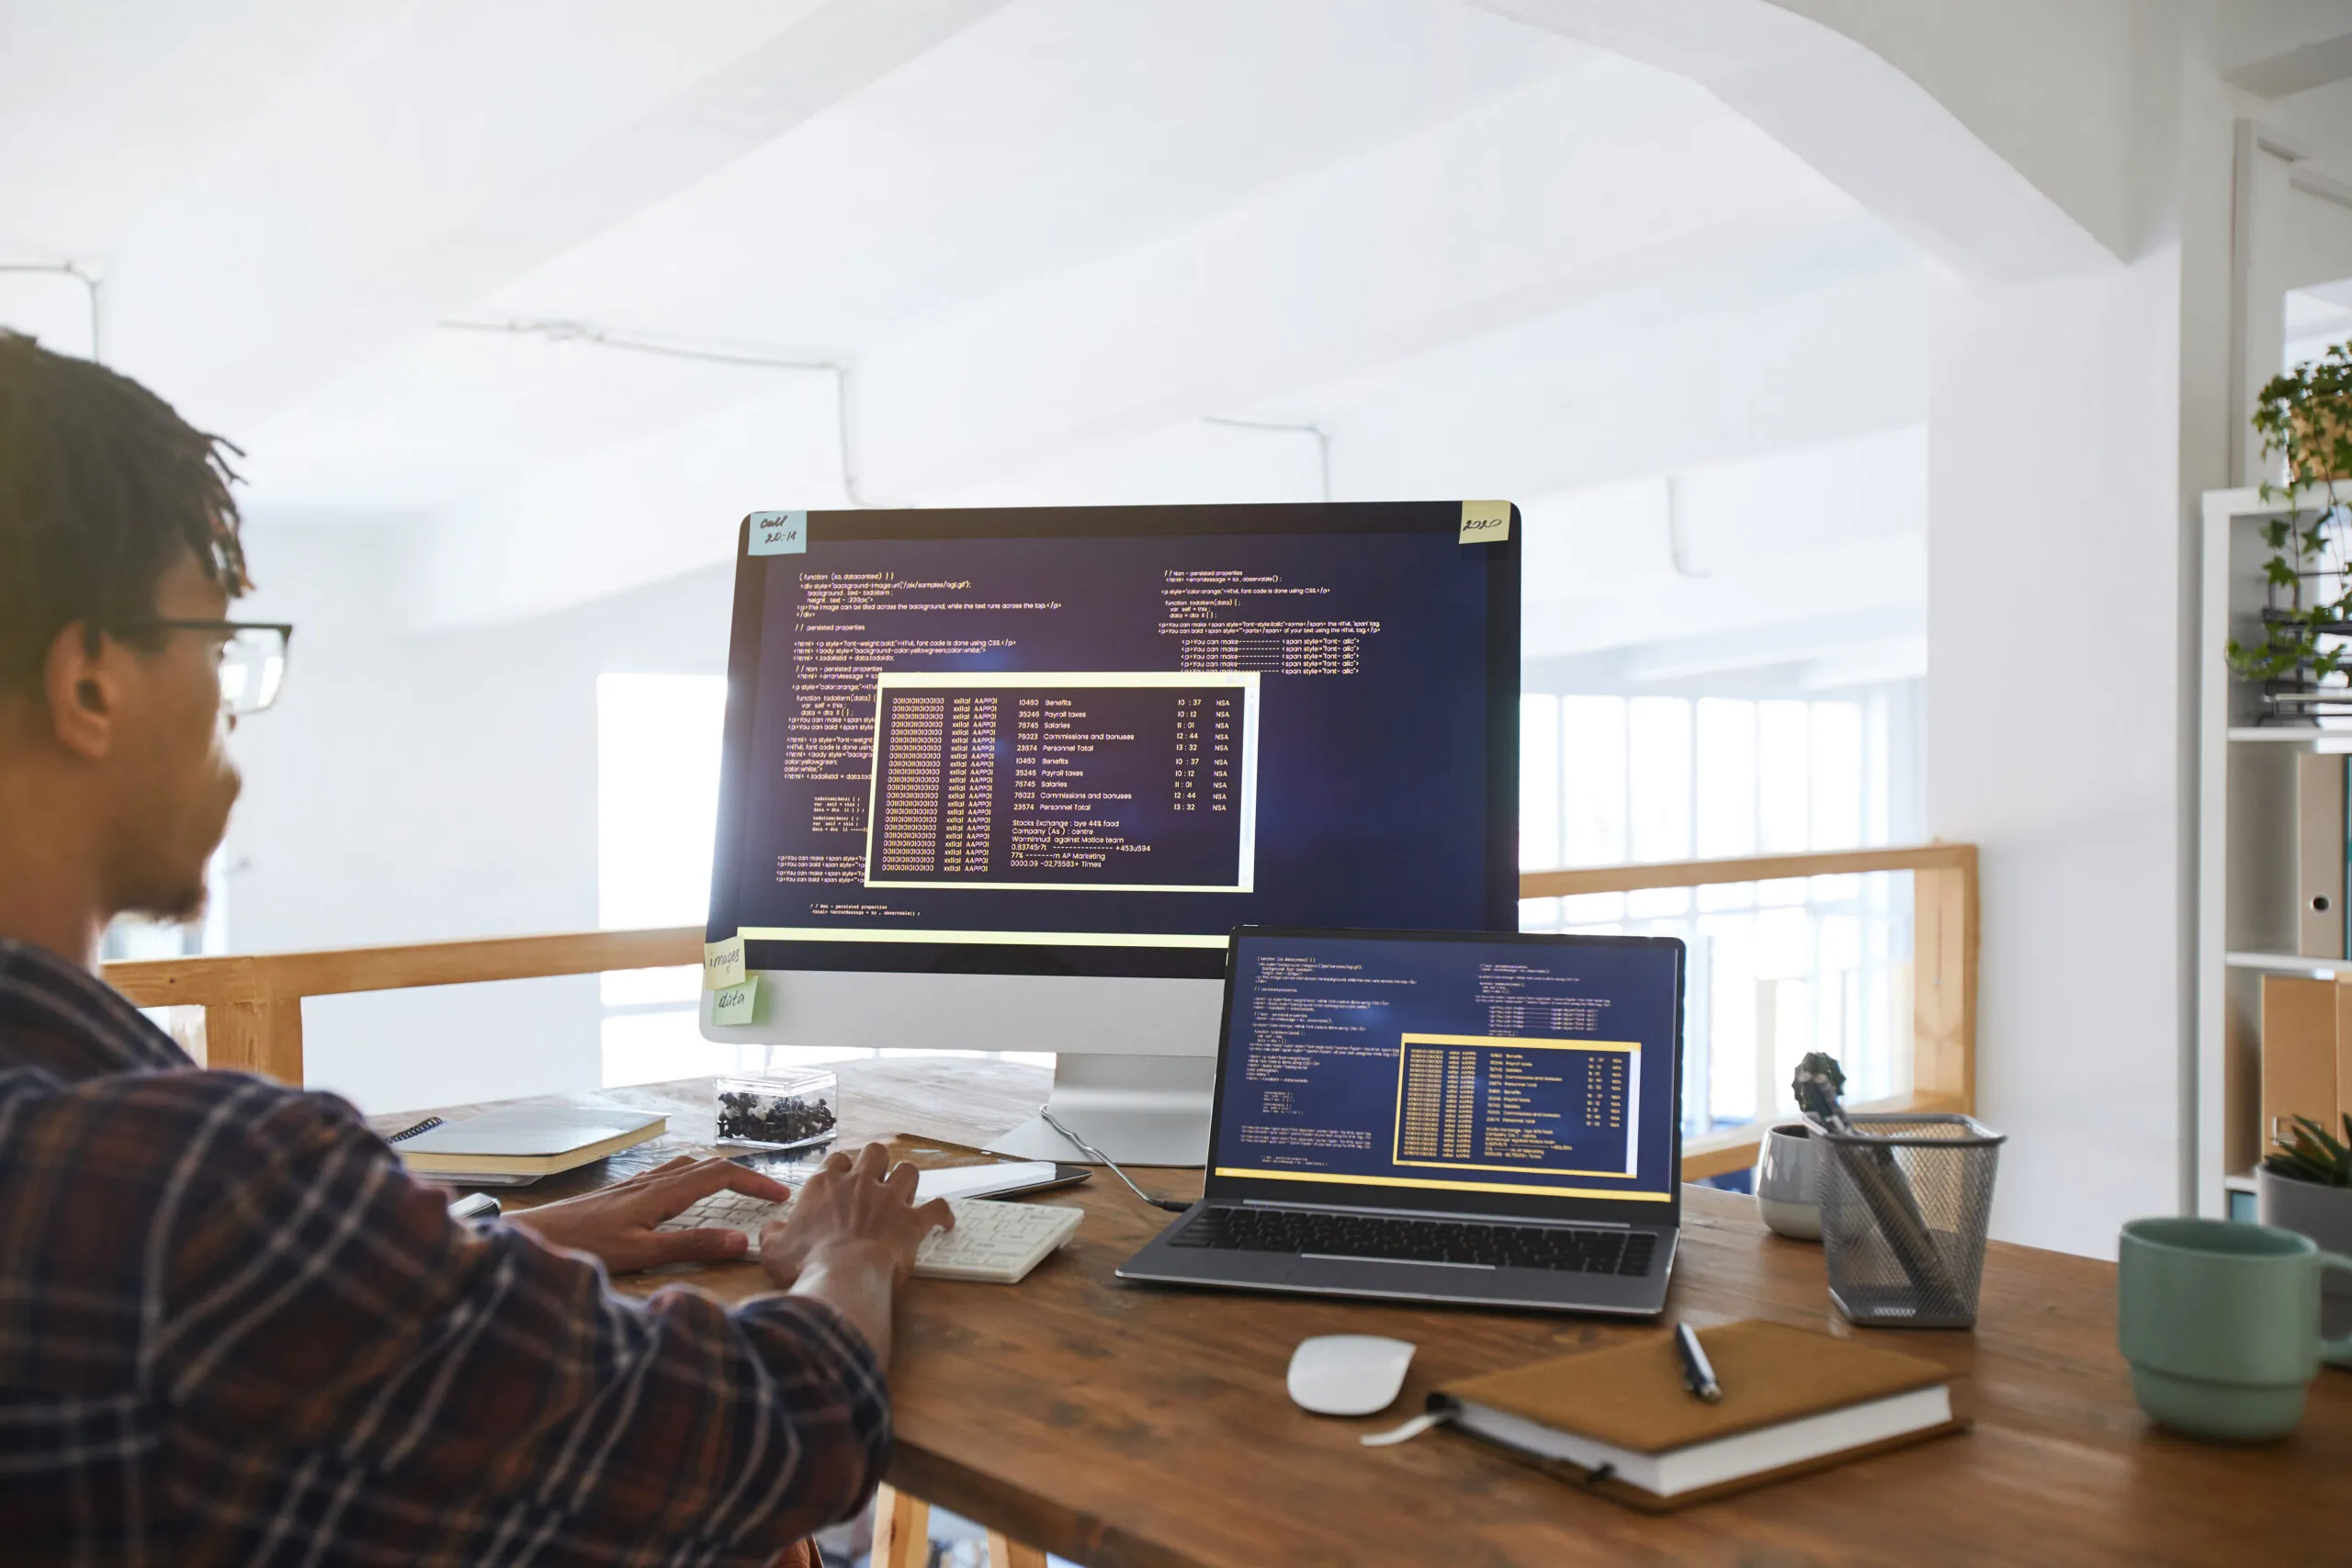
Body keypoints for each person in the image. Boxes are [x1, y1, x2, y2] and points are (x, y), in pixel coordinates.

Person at [0, 330, 951, 1565]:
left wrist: (471, 1257)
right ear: (90, 685)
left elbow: (242, 1336)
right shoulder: (196, 1186)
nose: (229, 706)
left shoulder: (118, 1173)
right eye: (218, 646)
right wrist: (847, 1251)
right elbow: (780, 1431)